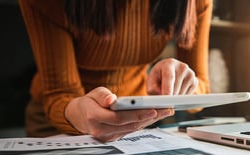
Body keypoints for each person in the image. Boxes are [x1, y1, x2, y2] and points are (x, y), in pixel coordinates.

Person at [19, 0, 212, 142]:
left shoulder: (194, 3)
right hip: (60, 123)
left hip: (136, 124)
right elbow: (60, 92)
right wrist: (79, 112)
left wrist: (181, 88)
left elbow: (201, 85)